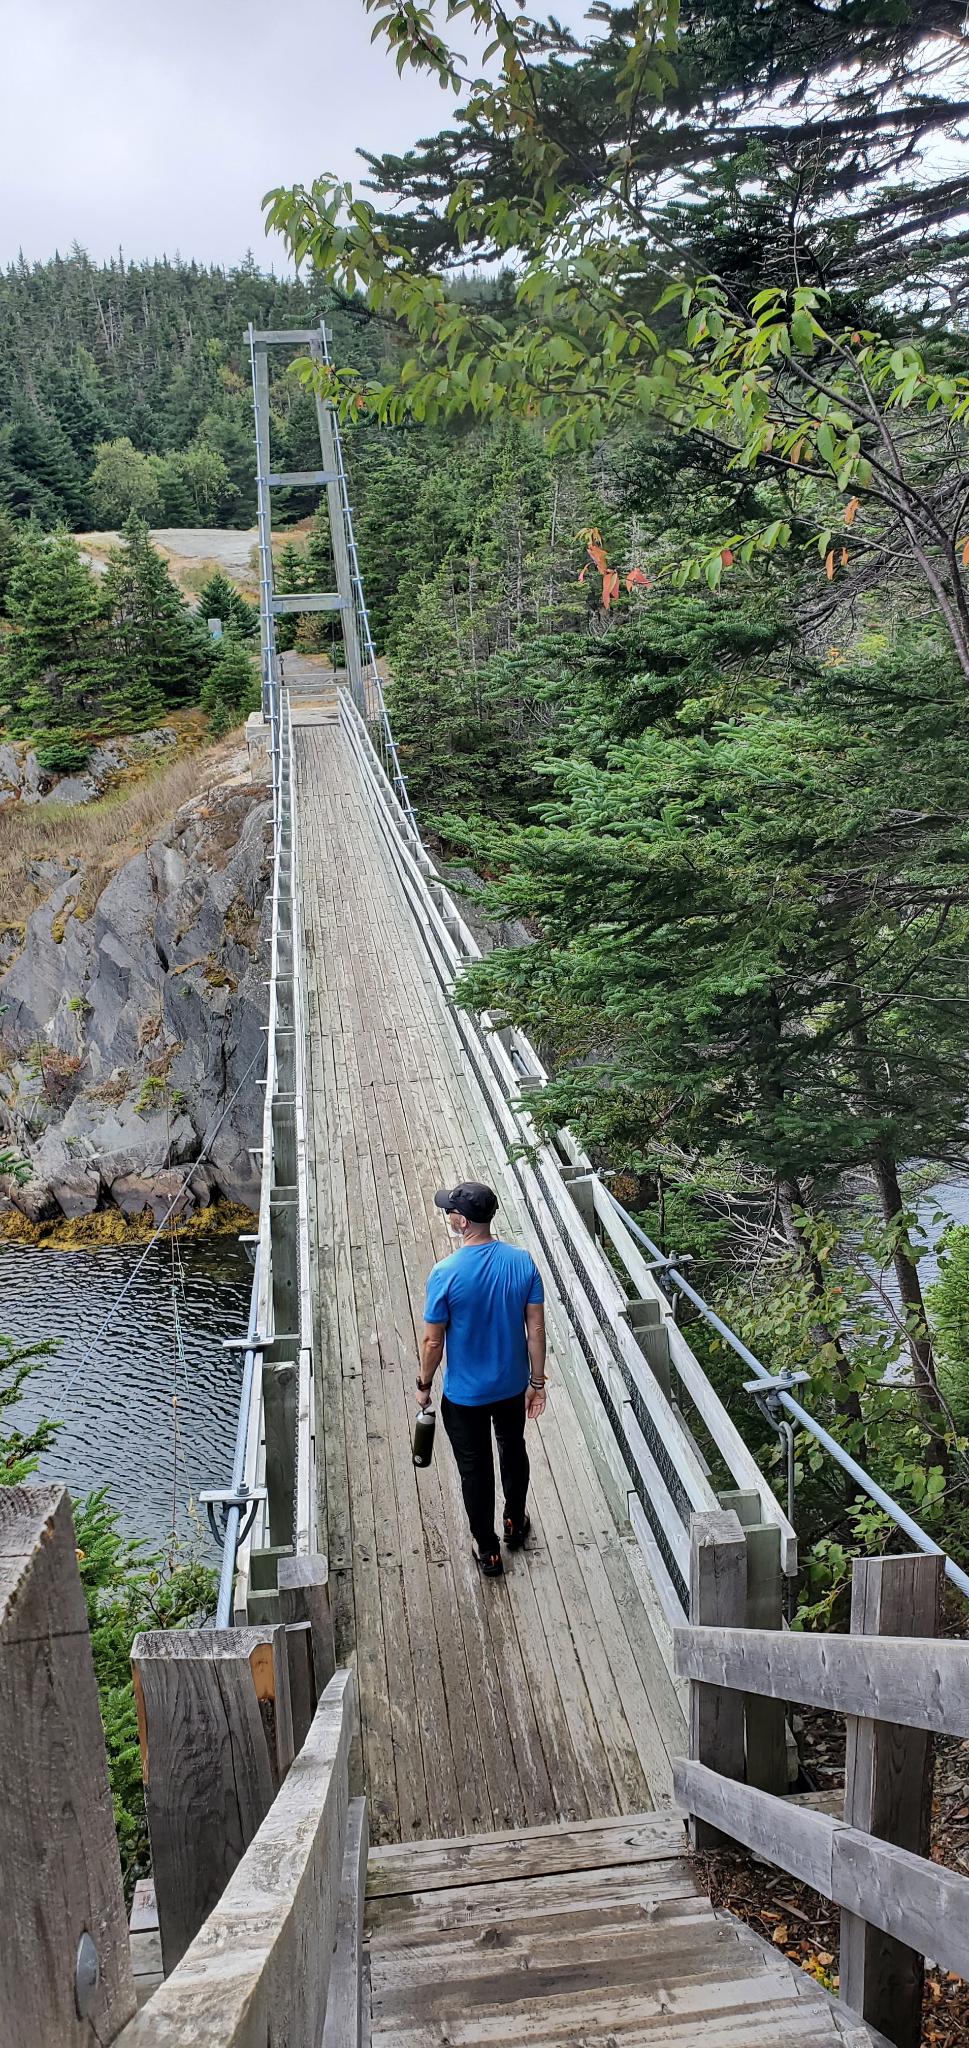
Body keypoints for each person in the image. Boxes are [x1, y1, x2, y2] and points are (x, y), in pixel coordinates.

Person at [417, 1179, 547, 1577]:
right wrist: (537, 1384)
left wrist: (424, 1386)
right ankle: (514, 1522)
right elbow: (536, 1329)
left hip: (465, 1396)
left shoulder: (445, 1273)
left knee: (475, 1469)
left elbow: (433, 1341)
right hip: (511, 1386)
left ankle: (488, 1550)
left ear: (462, 1221)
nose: (447, 1215)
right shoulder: (522, 1262)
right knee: (513, 1448)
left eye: (450, 1212)